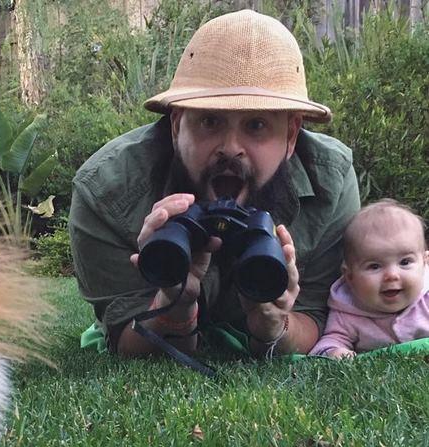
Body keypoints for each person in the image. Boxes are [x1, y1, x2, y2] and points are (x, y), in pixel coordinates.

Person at [69, 9, 360, 359]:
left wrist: (274, 323)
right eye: (209, 121)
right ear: (176, 125)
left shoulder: (330, 182)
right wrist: (172, 307)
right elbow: (123, 336)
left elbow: (315, 317)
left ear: (292, 135)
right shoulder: (106, 191)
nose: (230, 148)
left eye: (256, 125)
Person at [309, 200, 429, 358]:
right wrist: (335, 351)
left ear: (425, 263)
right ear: (350, 276)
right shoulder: (347, 309)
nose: (392, 275)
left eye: (404, 262)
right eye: (375, 266)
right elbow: (331, 341)